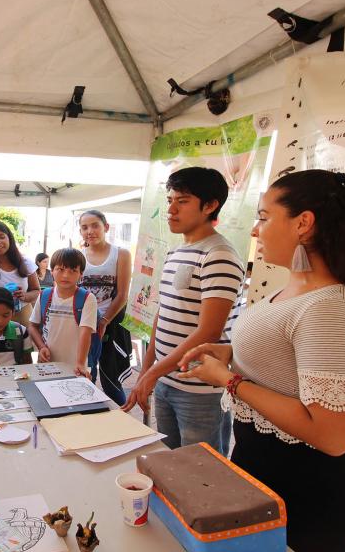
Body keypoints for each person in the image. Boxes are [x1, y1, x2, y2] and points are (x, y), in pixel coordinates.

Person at [177, 170, 345, 552]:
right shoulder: (293, 289)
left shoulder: (334, 308)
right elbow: (284, 358)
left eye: (264, 217)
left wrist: (228, 380)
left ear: (303, 223)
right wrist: (229, 352)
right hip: (262, 468)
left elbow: (334, 435)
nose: (257, 232)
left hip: (310, 491)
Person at [121, 167, 244, 458]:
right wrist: (148, 370)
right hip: (166, 380)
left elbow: (209, 332)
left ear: (210, 205)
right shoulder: (176, 253)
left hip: (200, 388)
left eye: (183, 201)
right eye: (170, 200)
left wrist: (154, 373)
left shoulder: (219, 255)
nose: (171, 209)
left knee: (202, 471)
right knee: (169, 460)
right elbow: (162, 316)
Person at [78, 210, 133, 406]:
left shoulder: (121, 254)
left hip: (111, 324)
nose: (89, 231)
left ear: (106, 227)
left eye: (94, 226)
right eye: (84, 227)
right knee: (85, 378)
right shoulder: (79, 255)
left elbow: (122, 295)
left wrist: (104, 321)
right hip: (83, 325)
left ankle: (121, 424)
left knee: (112, 383)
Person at [27, 248, 98, 379]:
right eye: (60, 269)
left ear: (81, 274)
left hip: (75, 368)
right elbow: (32, 325)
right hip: (47, 366)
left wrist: (80, 363)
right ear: (52, 270)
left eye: (73, 271)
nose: (66, 275)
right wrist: (41, 347)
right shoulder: (44, 295)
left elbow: (85, 332)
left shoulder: (88, 298)